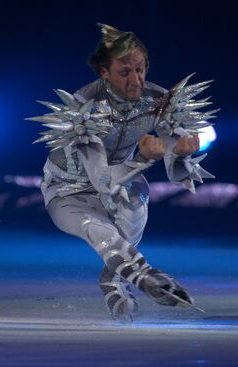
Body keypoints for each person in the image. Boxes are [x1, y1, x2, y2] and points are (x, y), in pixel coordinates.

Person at [28, 23, 217, 322]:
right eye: (125, 72)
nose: (136, 81)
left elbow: (179, 175)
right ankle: (142, 276)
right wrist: (142, 157)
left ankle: (114, 279)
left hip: (123, 183)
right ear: (104, 73)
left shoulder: (160, 103)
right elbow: (101, 181)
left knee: (136, 197)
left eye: (140, 69)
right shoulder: (83, 110)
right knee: (98, 229)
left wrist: (180, 155)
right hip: (69, 192)